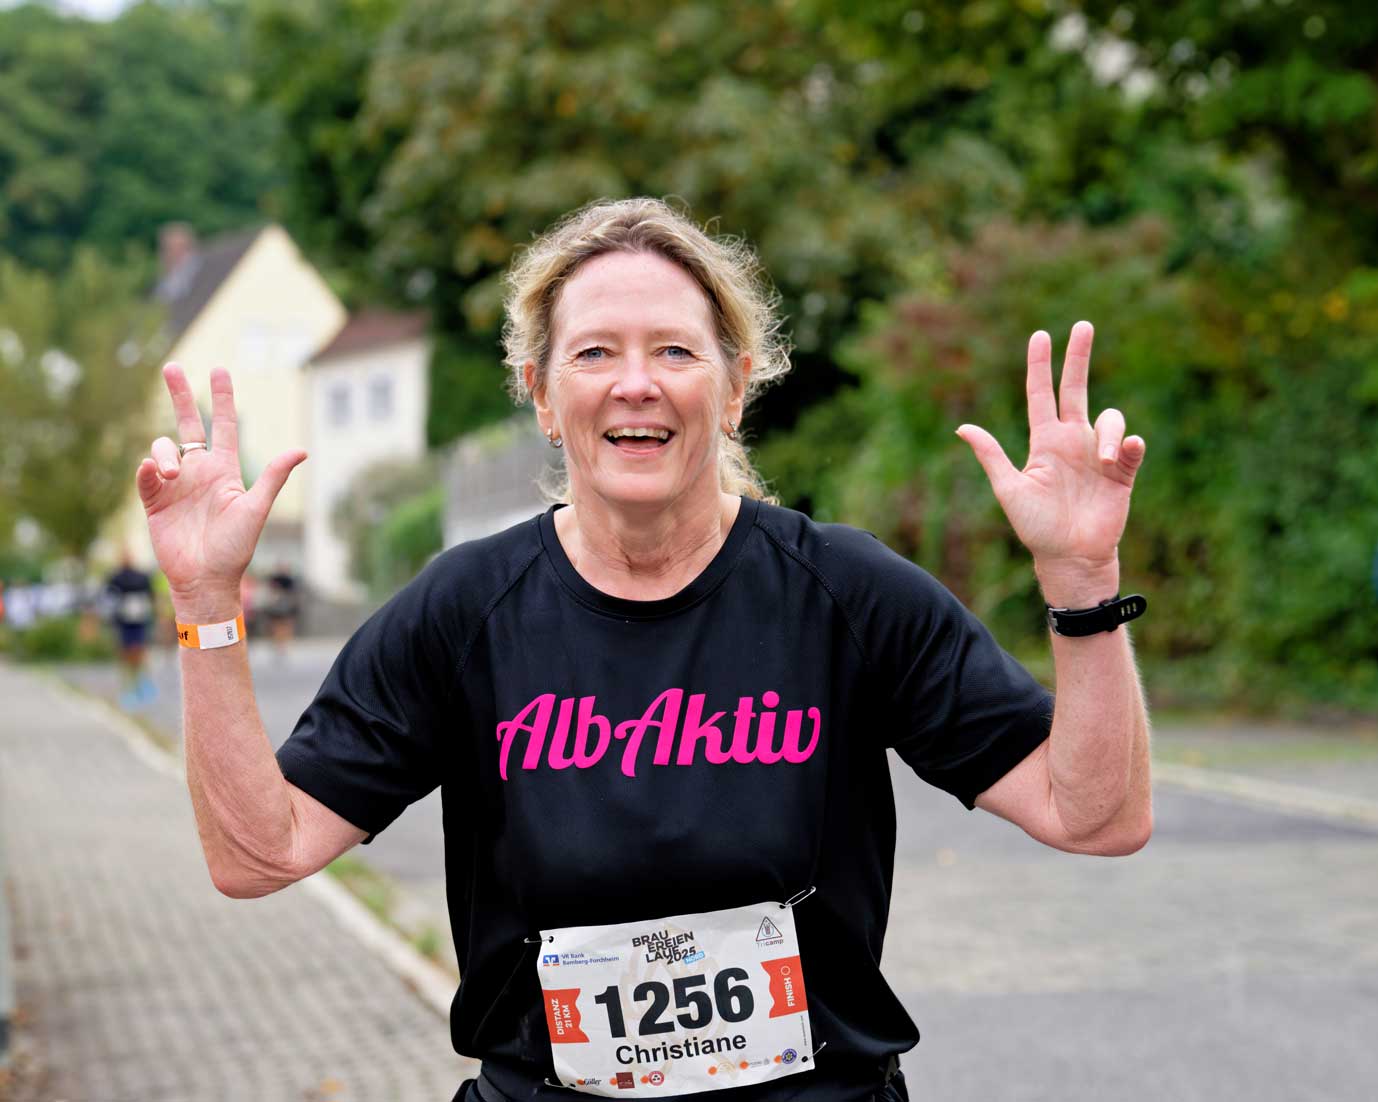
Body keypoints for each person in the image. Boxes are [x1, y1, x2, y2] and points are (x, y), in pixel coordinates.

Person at [134, 198, 1151, 1102]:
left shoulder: (845, 593)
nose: (635, 385)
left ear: (735, 386)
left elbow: (1095, 814)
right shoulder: (463, 613)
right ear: (540, 394)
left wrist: (1081, 580)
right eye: (593, 354)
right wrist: (205, 602)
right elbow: (258, 853)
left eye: (673, 351)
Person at [103, 549, 158, 708]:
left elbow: (151, 596)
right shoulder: (116, 578)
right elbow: (109, 598)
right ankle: (129, 688)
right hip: (124, 621)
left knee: (140, 651)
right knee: (125, 653)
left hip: (139, 620)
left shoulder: (141, 577)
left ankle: (143, 684)